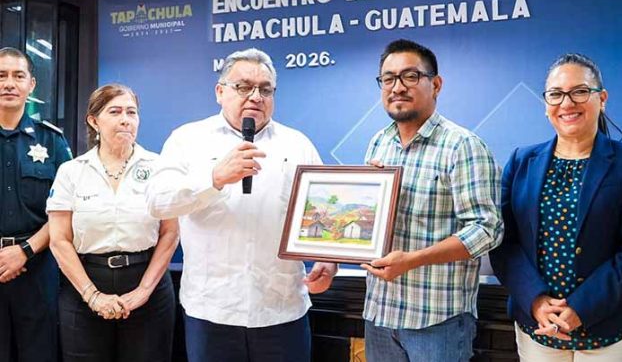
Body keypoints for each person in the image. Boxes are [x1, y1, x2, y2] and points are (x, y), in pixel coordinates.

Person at [147, 48, 337, 362]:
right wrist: (214, 178)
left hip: (281, 309)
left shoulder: (297, 144)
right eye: (243, 86)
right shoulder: (186, 139)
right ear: (219, 92)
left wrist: (329, 260)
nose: (255, 96)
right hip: (211, 311)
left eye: (265, 89)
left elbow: (324, 212)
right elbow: (157, 202)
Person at [360, 39, 503, 362]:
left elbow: (487, 230)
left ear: (435, 84)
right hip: (380, 313)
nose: (397, 87)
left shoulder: (462, 146)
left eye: (410, 76)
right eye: (388, 78)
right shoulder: (379, 143)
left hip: (437, 321)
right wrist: (367, 199)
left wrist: (413, 259)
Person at [490, 53, 622, 361]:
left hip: (609, 330)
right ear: (546, 103)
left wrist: (582, 307)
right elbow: (503, 242)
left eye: (580, 91)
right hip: (538, 328)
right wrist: (536, 300)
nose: (567, 103)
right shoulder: (522, 161)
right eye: (556, 94)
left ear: (602, 98)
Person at [47, 83, 179, 362]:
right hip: (84, 287)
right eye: (115, 112)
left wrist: (143, 291)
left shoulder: (159, 167)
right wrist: (92, 296)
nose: (125, 119)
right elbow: (59, 240)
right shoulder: (71, 172)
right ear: (94, 121)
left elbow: (170, 233)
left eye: (132, 112)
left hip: (148, 287)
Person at [0, 47, 72, 362]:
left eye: (18, 76)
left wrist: (24, 251)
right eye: (1, 75)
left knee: (39, 354)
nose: (9, 83)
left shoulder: (52, 141)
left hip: (38, 269)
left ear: (31, 85)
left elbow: (66, 211)